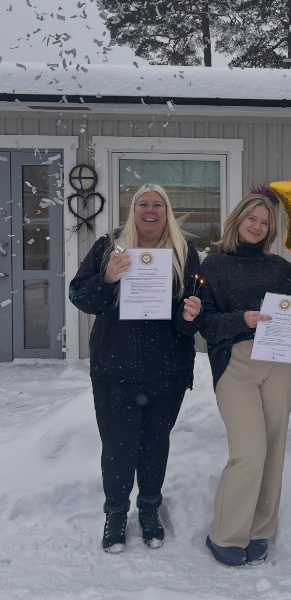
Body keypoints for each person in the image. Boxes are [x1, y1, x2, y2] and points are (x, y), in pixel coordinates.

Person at [69, 184, 201, 553]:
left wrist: (191, 314)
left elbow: (190, 314)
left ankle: (149, 509)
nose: (150, 210)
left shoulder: (184, 252)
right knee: (117, 447)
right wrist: (106, 278)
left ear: (167, 211)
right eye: (143, 203)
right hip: (115, 370)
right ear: (133, 210)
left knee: (156, 445)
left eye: (158, 204)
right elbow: (77, 295)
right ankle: (115, 513)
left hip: (167, 371)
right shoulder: (110, 246)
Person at [198, 193, 291, 567]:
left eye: (265, 222)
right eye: (251, 219)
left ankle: (260, 529)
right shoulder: (214, 265)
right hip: (235, 363)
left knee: (273, 449)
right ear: (237, 220)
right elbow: (205, 323)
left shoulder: (279, 268)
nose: (257, 226)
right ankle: (225, 533)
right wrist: (241, 320)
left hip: (279, 362)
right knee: (249, 452)